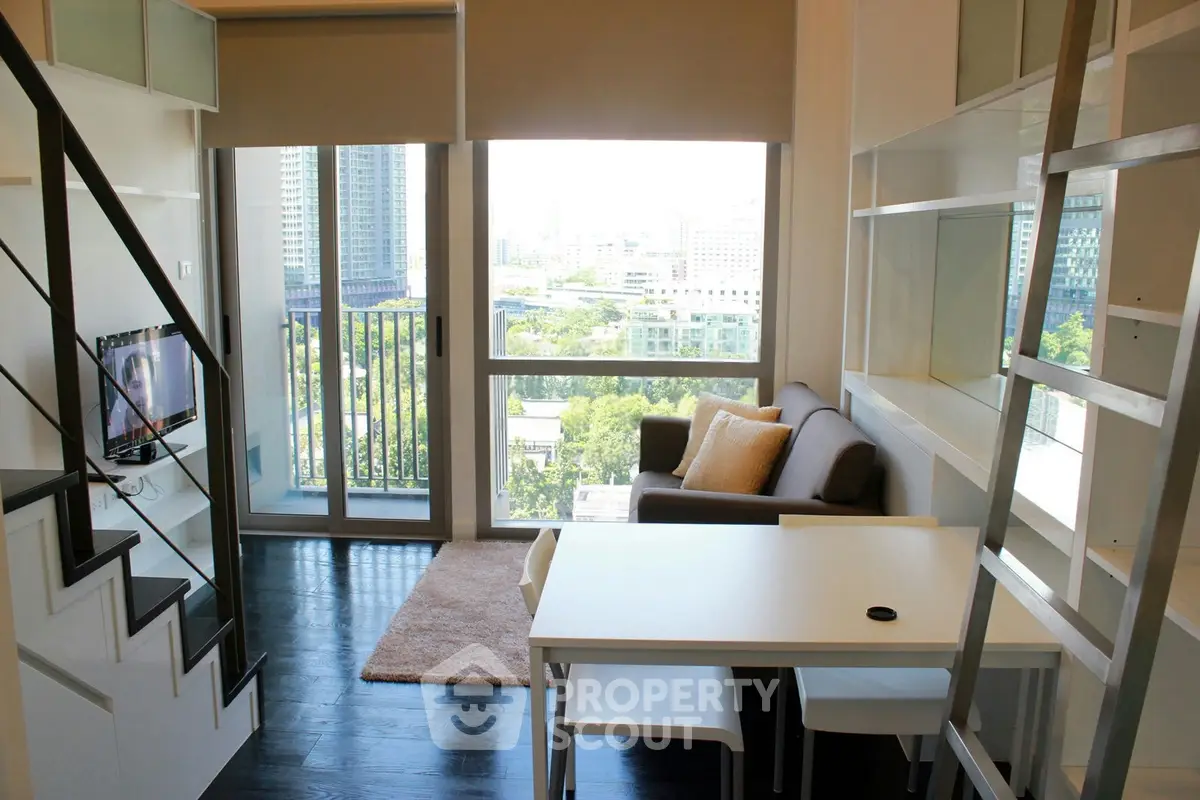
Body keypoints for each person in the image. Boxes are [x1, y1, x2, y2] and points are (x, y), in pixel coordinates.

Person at [107, 350, 159, 441]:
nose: (143, 394)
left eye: (147, 385)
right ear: (125, 391)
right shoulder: (116, 432)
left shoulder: (159, 423)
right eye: (136, 386)